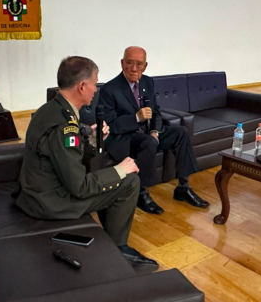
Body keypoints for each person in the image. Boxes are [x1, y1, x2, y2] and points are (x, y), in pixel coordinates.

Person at [15, 56, 157, 266]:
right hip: (50, 202)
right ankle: (117, 250)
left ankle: (108, 242)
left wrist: (91, 138)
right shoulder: (65, 126)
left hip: (37, 192)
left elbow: (63, 153)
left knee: (109, 175)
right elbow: (80, 187)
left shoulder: (52, 109)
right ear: (82, 86)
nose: (96, 90)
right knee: (129, 181)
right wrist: (120, 169)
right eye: (94, 84)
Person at [99, 46, 209, 215]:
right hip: (125, 137)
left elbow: (155, 111)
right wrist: (136, 117)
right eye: (129, 63)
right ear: (122, 63)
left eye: (139, 64)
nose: (134, 68)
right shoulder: (109, 89)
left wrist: (155, 131)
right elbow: (111, 125)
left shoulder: (147, 82)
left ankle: (183, 187)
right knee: (148, 142)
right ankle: (140, 193)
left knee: (181, 133)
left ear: (145, 66)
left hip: (148, 134)